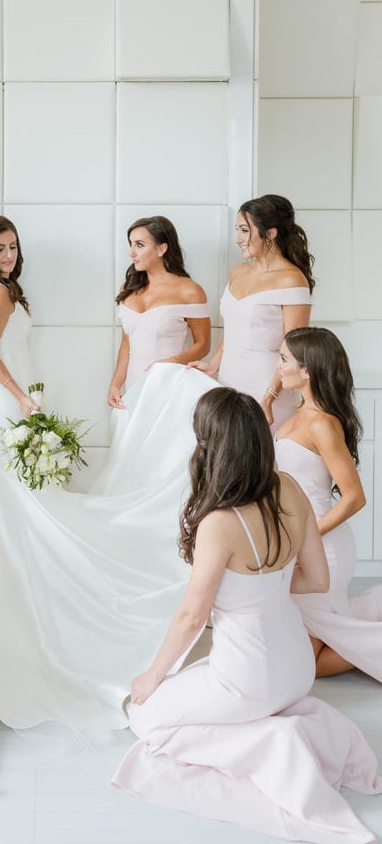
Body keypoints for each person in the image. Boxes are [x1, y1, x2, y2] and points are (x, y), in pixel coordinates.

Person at [0, 215, 217, 730]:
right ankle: (34, 573)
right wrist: (22, 396)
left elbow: (201, 342)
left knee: (15, 493)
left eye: (14, 246)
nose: (9, 255)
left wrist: (151, 372)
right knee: (21, 495)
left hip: (104, 395)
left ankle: (23, 568)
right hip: (7, 397)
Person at [112, 388, 381, 843]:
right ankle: (280, 724)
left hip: (248, 676)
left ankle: (273, 743)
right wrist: (263, 588)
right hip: (297, 667)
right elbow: (316, 578)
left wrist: (150, 678)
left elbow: (191, 617)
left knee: (144, 718)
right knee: (198, 685)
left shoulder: (219, 521)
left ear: (210, 446)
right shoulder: (290, 489)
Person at [275, 327, 382, 681]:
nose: (278, 367)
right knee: (298, 651)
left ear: (307, 370)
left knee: (312, 666)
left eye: (283, 359)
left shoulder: (322, 424)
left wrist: (307, 538)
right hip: (297, 542)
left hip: (323, 544)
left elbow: (354, 496)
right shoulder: (294, 416)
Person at [189, 194, 313, 430]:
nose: (238, 239)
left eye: (245, 230)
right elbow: (235, 328)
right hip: (228, 382)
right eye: (237, 230)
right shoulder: (238, 272)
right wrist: (214, 363)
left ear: (271, 233)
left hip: (266, 387)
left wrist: (268, 397)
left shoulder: (291, 279)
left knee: (264, 461)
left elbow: (294, 347)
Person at [109, 216, 210, 408]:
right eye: (131, 244)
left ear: (161, 249)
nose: (131, 252)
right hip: (133, 388)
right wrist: (116, 384)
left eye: (139, 244)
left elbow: (203, 344)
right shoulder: (128, 288)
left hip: (170, 385)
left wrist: (169, 363)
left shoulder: (190, 291)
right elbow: (126, 345)